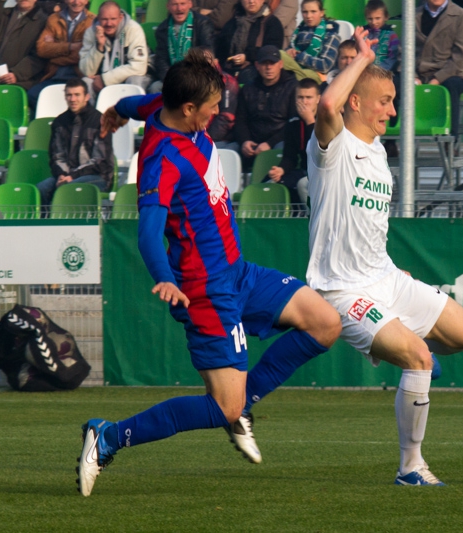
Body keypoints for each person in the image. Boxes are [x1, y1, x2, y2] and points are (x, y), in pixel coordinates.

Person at [77, 49, 340, 497]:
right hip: (205, 291)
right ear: (187, 108)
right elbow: (148, 232)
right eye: (212, 107)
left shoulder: (164, 107)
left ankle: (240, 406)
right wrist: (164, 276)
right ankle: (108, 436)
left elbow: (137, 104)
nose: (218, 113)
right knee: (222, 406)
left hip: (238, 272)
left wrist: (116, 110)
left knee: (325, 323)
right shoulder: (161, 159)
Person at [307, 27, 463, 486]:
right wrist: (361, 60)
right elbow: (326, 106)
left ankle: (404, 344)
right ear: (356, 102)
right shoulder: (334, 146)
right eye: (384, 101)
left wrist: (387, 266)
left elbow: (366, 223)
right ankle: (410, 466)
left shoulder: (379, 152)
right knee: (418, 359)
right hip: (342, 290)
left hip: (384, 277)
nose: (392, 110)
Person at [36, 78, 114, 206]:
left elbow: (100, 161)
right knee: (41, 189)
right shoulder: (59, 122)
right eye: (69, 95)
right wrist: (61, 175)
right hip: (67, 175)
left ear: (87, 97)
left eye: (77, 95)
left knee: (69, 187)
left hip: (98, 176)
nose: (73, 99)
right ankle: (47, 218)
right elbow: (56, 156)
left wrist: (73, 176)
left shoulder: (100, 121)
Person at [415, 0, 463, 136]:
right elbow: (403, 51)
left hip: (449, 73)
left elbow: (460, 57)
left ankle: (451, 138)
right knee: (393, 82)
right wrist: (413, 76)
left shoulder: (460, 16)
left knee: (452, 85)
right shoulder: (414, 15)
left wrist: (437, 79)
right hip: (418, 72)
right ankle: (390, 140)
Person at [234, 45, 298, 167]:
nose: (269, 67)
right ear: (257, 66)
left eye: (272, 63)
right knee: (229, 151)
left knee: (283, 148)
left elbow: (293, 123)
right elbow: (240, 121)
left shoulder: (293, 87)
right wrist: (245, 141)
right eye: (264, 63)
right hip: (252, 142)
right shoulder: (248, 89)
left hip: (279, 141)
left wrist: (270, 143)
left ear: (280, 64)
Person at [264, 78, 320, 207]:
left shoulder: (328, 120)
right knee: (269, 183)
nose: (304, 102)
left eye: (309, 97)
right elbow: (290, 157)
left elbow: (320, 153)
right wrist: (281, 169)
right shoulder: (293, 123)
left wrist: (310, 123)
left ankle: (311, 217)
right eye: (300, 97)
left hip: (324, 173)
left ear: (318, 99)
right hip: (304, 171)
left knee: (302, 184)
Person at [29, 0, 95, 108]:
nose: (76, 2)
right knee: (32, 95)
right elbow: (41, 49)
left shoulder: (93, 21)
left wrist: (54, 55)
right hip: (54, 76)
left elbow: (81, 55)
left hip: (79, 77)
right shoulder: (53, 19)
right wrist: (70, 46)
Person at [78, 1, 150, 95]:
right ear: (98, 18)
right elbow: (87, 71)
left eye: (113, 19)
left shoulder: (133, 29)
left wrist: (105, 79)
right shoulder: (91, 32)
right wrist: (99, 47)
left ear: (121, 17)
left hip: (130, 76)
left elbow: (139, 67)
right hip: (101, 78)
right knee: (86, 82)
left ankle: (132, 105)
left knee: (134, 80)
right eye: (104, 19)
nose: (109, 23)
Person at [149, 0, 215, 94]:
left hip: (198, 74)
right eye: (175, 4)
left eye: (183, 4)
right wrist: (171, 78)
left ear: (190, 4)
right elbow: (161, 59)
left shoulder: (203, 23)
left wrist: (189, 54)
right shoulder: (162, 29)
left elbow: (208, 49)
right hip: (173, 76)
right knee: (155, 87)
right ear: (168, 6)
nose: (179, 8)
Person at [217, 0, 284, 84]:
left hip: (257, 73)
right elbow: (220, 49)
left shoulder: (272, 23)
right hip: (230, 70)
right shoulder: (232, 22)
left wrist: (247, 56)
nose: (251, 1)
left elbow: (272, 50)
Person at [282, 0, 340, 82]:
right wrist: (289, 51)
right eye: (305, 12)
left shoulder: (330, 34)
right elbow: (290, 49)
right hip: (297, 70)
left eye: (313, 12)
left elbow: (325, 65)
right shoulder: (299, 31)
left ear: (321, 13)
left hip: (317, 76)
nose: (308, 16)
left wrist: (298, 56)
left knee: (279, 56)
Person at [363, 0, 399, 73]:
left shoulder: (391, 35)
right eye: (370, 19)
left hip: (383, 73)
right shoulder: (362, 33)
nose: (374, 22)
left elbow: (393, 57)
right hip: (362, 72)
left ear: (386, 17)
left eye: (377, 18)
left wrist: (377, 70)